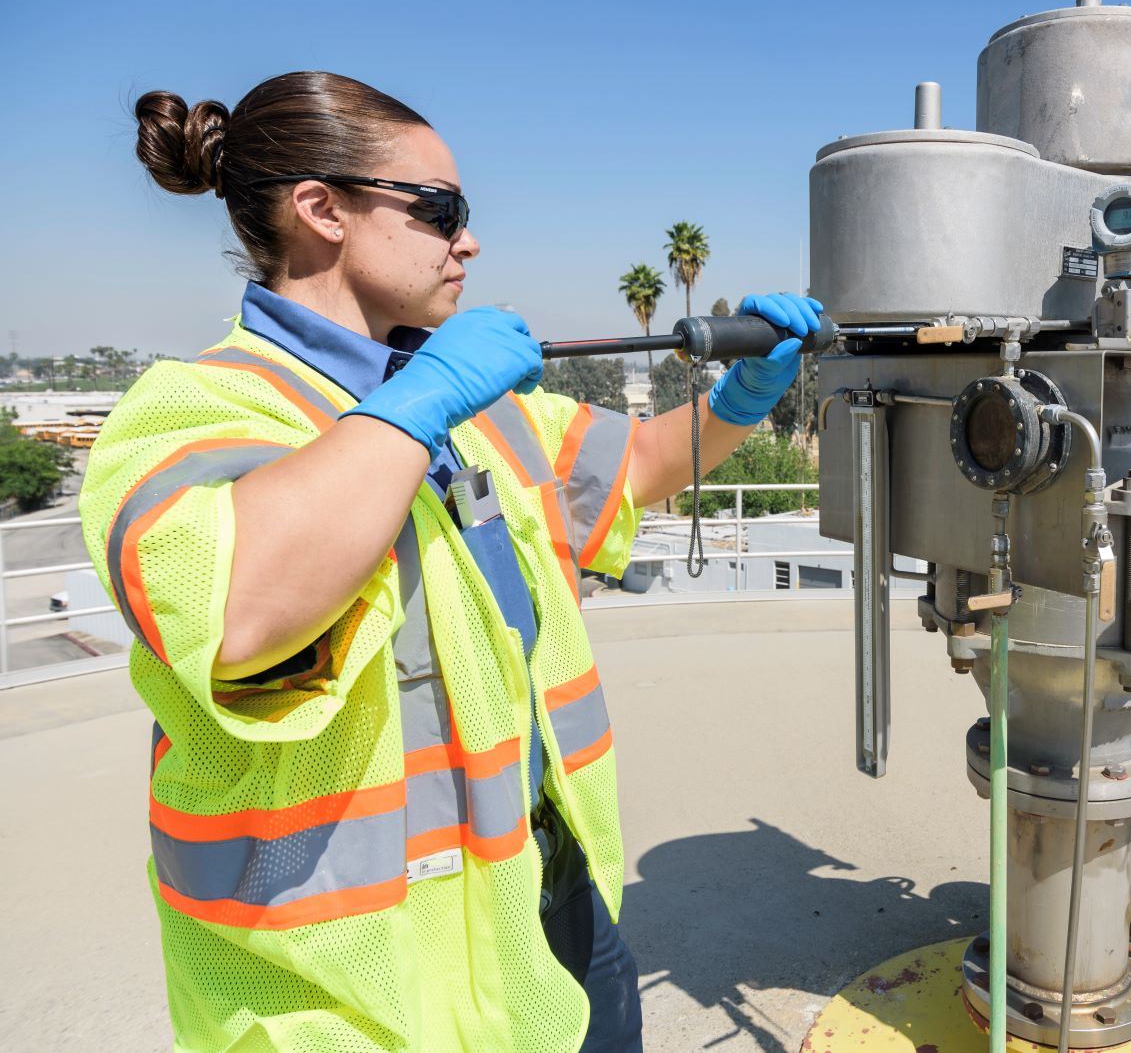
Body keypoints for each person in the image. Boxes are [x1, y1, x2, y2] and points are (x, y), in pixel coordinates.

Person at [79, 71, 823, 1053]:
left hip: (545, 897)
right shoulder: (201, 408)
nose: (467, 239)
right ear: (321, 210)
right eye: (439, 210)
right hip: (356, 986)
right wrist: (417, 404)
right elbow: (243, 611)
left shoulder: (462, 400)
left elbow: (636, 466)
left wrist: (741, 397)